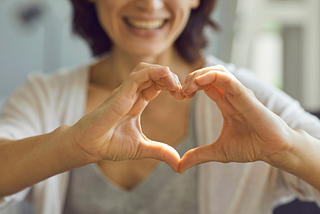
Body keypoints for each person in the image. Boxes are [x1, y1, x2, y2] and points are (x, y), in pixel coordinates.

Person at [0, 0, 319, 213]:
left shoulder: (248, 98)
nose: (149, 4)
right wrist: (70, 147)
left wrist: (285, 148)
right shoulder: (45, 96)